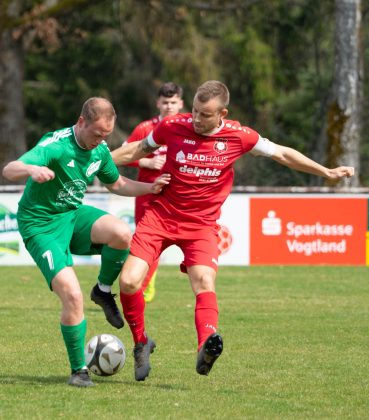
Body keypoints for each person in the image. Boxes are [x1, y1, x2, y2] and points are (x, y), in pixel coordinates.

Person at [111, 80, 355, 381]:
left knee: (204, 280)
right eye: (196, 112)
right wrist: (92, 164)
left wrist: (326, 171)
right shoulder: (173, 126)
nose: (197, 119)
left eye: (205, 115)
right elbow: (135, 149)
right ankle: (141, 343)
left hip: (200, 225)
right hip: (160, 216)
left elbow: (282, 154)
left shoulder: (241, 136)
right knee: (129, 281)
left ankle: (206, 346)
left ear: (222, 113)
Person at [1, 97, 170, 387]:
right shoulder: (55, 144)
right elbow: (9, 169)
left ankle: (103, 291)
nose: (101, 141)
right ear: (81, 122)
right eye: (96, 134)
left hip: (72, 215)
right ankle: (79, 370)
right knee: (72, 295)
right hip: (41, 226)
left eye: (106, 135)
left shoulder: (99, 149)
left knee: (120, 233)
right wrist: (31, 170)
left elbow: (117, 184)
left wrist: (150, 188)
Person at [120, 82, 184, 303]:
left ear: (181, 103)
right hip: (147, 194)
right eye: (165, 102)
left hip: (176, 197)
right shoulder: (145, 128)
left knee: (158, 245)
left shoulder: (188, 128)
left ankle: (141, 288)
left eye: (173, 102)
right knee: (146, 244)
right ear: (158, 103)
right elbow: (123, 154)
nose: (168, 106)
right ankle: (142, 287)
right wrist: (147, 163)